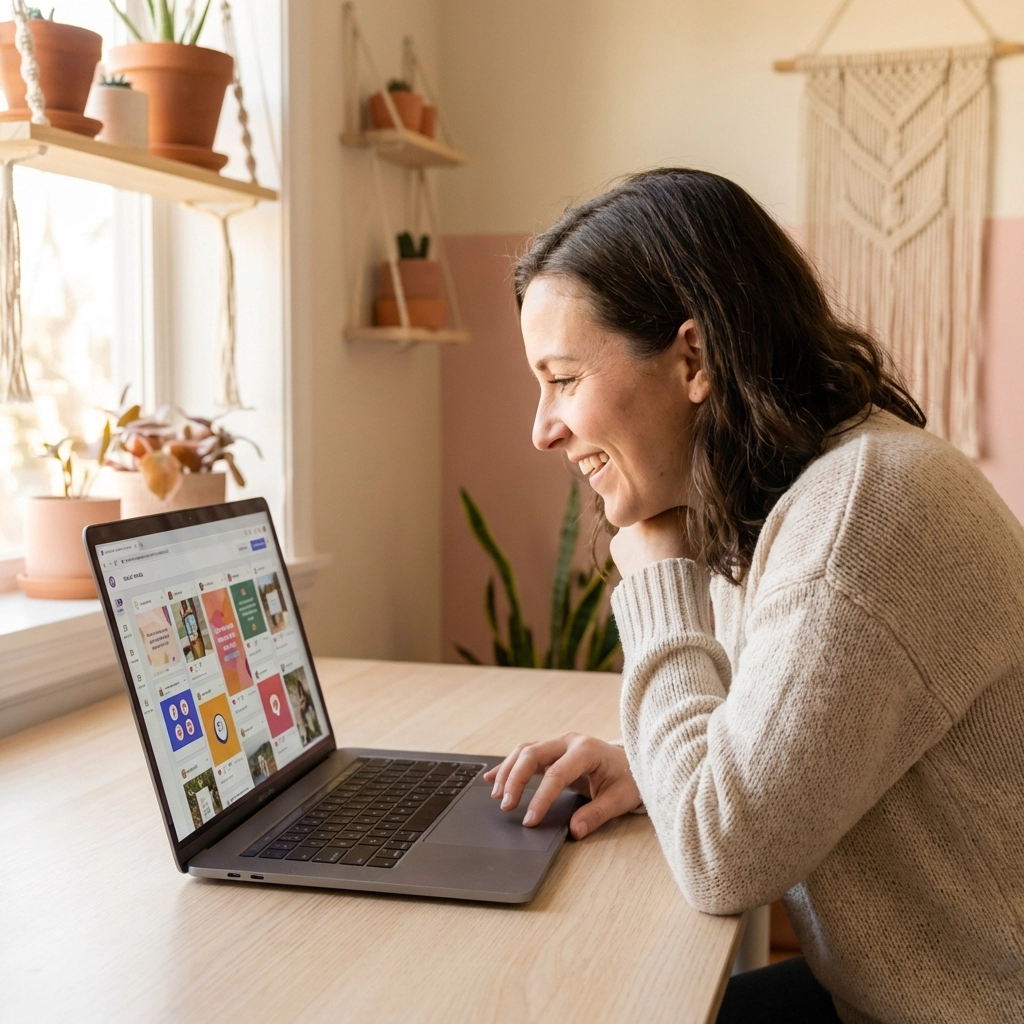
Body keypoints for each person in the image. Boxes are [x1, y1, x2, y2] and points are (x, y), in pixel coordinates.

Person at [483, 169, 1024, 1024]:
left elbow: (722, 856)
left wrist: (658, 570)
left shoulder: (858, 517)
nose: (542, 427)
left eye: (562, 379)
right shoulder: (794, 491)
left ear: (693, 358)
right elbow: (779, 739)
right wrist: (652, 770)